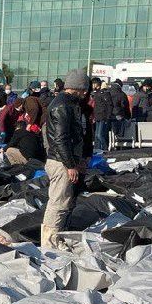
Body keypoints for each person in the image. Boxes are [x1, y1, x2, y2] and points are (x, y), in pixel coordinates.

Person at [40, 69, 89, 249]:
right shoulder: (63, 106)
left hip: (65, 160)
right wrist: (70, 165)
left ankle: (56, 237)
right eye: (85, 89)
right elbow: (60, 139)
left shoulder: (68, 103)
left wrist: (79, 159)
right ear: (79, 88)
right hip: (61, 162)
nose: (86, 93)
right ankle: (49, 243)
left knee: (65, 201)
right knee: (58, 202)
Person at [90, 78, 112, 151]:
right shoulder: (96, 93)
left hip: (102, 116)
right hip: (97, 116)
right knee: (96, 136)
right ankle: (97, 149)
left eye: (94, 84)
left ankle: (105, 148)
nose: (93, 85)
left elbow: (109, 106)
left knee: (99, 135)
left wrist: (107, 117)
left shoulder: (104, 93)